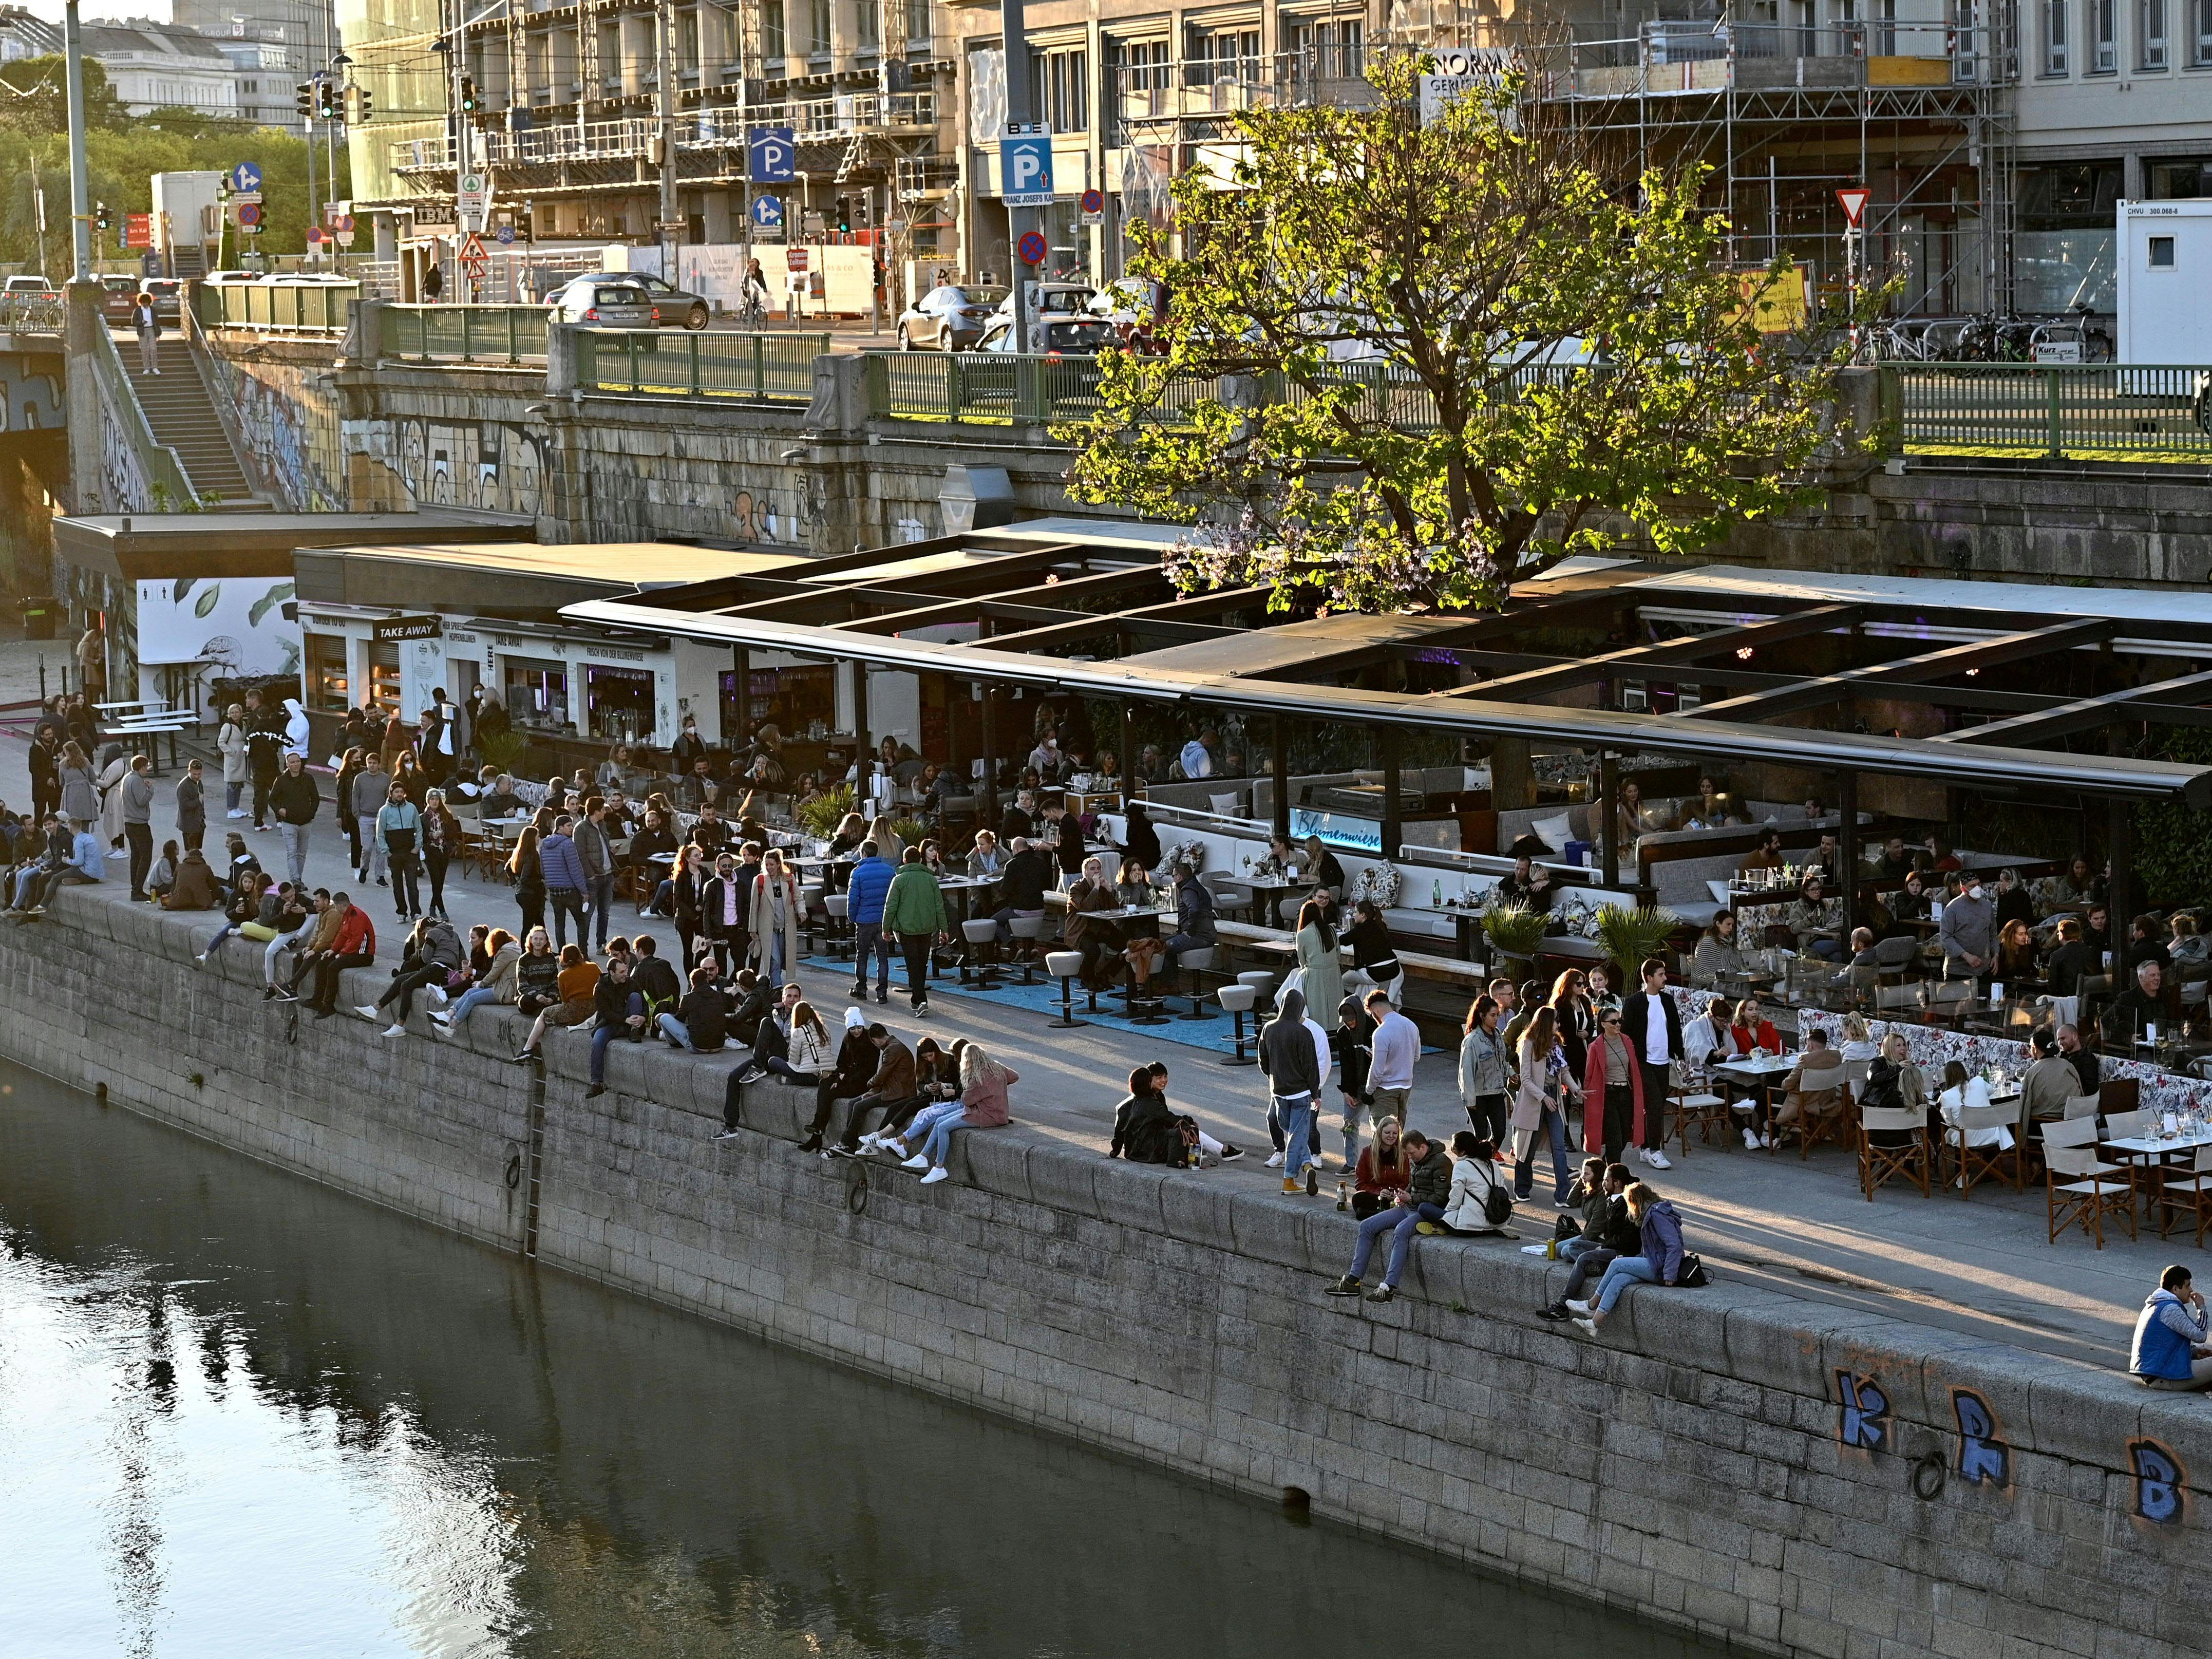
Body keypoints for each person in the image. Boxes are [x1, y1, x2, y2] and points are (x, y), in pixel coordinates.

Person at [1324, 1129, 1453, 1304]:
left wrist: (1412, 1198)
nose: (1409, 1158)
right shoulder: (1417, 1159)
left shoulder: (1442, 1163)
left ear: (1423, 1147)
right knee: (1367, 1226)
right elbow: (1413, 1185)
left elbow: (1441, 1199)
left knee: (1401, 1232)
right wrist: (1402, 1195)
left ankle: (1388, 1288)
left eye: (1411, 1153)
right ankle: (1353, 1281)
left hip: (1425, 1211)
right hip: (1408, 1206)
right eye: (1407, 1154)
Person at [886, 1041, 1018, 1184]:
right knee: (939, 1121)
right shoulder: (997, 1067)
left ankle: (939, 1167)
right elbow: (1015, 1076)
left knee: (943, 1127)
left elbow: (967, 1100)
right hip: (992, 1112)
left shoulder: (977, 1078)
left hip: (986, 1115)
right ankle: (923, 1157)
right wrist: (998, 1089)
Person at [1567, 1181, 1688, 1335]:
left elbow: (1675, 1245)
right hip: (1656, 1263)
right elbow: (1651, 1249)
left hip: (1662, 1269)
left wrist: (1670, 1274)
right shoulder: (1651, 1212)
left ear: (1635, 1201)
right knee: (1620, 1278)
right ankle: (1594, 1324)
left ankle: (1591, 1304)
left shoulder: (1657, 1215)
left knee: (1616, 1264)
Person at [1538, 1162, 1641, 1321]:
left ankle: (1561, 1307)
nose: (1603, 1184)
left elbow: (1629, 1239)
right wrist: (1582, 1179)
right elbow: (1571, 1201)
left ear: (1618, 1183)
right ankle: (1598, 1265)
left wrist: (1603, 1247)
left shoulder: (1626, 1204)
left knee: (1583, 1258)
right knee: (1573, 1247)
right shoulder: (1611, 1199)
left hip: (1621, 1251)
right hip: (1609, 1246)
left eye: (1607, 1180)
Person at [1259, 986, 1330, 1195]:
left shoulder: (1269, 1028)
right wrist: (1316, 1094)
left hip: (1279, 1091)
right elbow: (1311, 1067)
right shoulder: (1303, 1032)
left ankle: (1307, 1165)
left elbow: (1263, 1061)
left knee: (1292, 1132)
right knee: (1297, 1135)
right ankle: (1289, 1179)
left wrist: (1273, 1077)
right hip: (1300, 1093)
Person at [1511, 1005, 1577, 1208]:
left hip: (1554, 1097)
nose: (1558, 1024)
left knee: (1559, 1146)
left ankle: (1563, 1195)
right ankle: (1522, 1188)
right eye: (1556, 1020)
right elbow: (1526, 1079)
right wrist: (1543, 1098)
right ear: (1547, 1023)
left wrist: (1575, 1090)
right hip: (1534, 1100)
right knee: (1527, 1148)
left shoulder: (1555, 1043)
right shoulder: (1529, 1043)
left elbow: (1563, 1071)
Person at [1620, 957, 1679, 1171]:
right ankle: (1656, 1150)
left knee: (1657, 1104)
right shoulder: (1635, 1002)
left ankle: (1645, 1148)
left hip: (1663, 1060)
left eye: (1664, 974)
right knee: (1654, 1104)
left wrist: (1679, 1054)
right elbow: (1626, 1033)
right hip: (1643, 1061)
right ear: (1649, 978)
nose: (1665, 978)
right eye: (1661, 975)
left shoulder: (1668, 1001)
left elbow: (1675, 1029)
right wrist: (1629, 1059)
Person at [362, 914, 462, 1037]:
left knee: (406, 985)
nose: (423, 935)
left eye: (423, 933)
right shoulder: (454, 935)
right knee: (401, 979)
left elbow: (426, 958)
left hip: (437, 968)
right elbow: (462, 959)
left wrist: (426, 943)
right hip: (446, 973)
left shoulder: (433, 933)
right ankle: (375, 1009)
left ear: (427, 930)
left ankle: (400, 1025)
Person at [838, 1023, 922, 1155]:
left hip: (898, 1093)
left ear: (875, 1040)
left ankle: (847, 1143)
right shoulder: (895, 1045)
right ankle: (849, 1143)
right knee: (853, 1103)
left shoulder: (892, 1049)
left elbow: (880, 1076)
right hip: (894, 1089)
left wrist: (869, 1085)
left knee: (859, 1106)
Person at [883, 845, 948, 1017]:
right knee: (922, 962)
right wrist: (944, 929)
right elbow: (939, 907)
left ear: (904, 860)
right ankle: (918, 999)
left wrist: (886, 928)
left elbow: (890, 907)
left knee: (912, 963)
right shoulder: (931, 880)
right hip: (927, 927)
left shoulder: (899, 880)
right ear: (920, 860)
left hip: (906, 928)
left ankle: (920, 999)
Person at [511, 942, 600, 1062]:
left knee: (544, 1014)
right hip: (594, 1010)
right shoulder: (594, 967)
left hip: (575, 1012)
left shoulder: (563, 976)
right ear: (580, 955)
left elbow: (565, 1001)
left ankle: (527, 1049)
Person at [1581, 1004, 1646, 1166]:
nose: (1618, 1024)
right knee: (1614, 1138)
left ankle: (1606, 1167)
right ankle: (1614, 1175)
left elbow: (1634, 1069)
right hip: (1608, 1094)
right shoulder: (1596, 1047)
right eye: (1613, 1022)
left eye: (1620, 1021)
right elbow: (1590, 1075)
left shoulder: (1626, 1040)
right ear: (1603, 1024)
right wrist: (1587, 1097)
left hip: (1626, 1092)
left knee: (1625, 1134)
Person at [2130, 1265, 2212, 1390]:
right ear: (2175, 1289)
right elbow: (2200, 1335)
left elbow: (2166, 1345)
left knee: (2206, 1348)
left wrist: (2194, 1352)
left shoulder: (2159, 1304)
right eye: (2187, 1286)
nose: (2191, 1290)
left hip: (2158, 1370)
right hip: (2164, 1377)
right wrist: (2201, 1308)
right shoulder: (2170, 1309)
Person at [1770, 1027, 1848, 1150]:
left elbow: (1787, 1086)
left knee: (1771, 1090)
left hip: (1807, 1105)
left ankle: (1773, 1133)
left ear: (1811, 1045)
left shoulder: (1805, 1060)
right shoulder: (1836, 1056)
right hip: (1829, 1101)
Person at [300, 893, 376, 1019]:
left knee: (333, 967)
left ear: (340, 906)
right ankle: (317, 999)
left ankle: (329, 1005)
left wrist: (342, 954)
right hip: (352, 952)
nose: (335, 909)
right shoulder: (346, 916)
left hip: (364, 955)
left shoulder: (357, 916)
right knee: (322, 962)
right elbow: (342, 935)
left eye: (335, 906)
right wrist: (333, 950)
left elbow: (357, 940)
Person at [583, 955, 646, 1099]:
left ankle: (634, 1032)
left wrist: (643, 1018)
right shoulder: (600, 987)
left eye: (626, 971)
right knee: (598, 1042)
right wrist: (625, 1019)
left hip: (630, 1023)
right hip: (610, 1023)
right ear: (612, 973)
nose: (626, 974)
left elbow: (643, 1002)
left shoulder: (631, 983)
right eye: (622, 972)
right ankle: (596, 1083)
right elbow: (605, 1013)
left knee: (635, 997)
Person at [437, 928, 521, 1035]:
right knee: (470, 992)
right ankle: (448, 1014)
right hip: (501, 986)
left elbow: (493, 974)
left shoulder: (506, 954)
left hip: (505, 992)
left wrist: (480, 983)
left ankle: (452, 1026)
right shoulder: (509, 951)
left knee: (473, 998)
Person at [747, 846, 803, 989]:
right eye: (767, 864)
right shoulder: (760, 881)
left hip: (785, 927)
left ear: (779, 864)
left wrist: (802, 912)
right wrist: (753, 928)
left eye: (772, 864)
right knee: (775, 959)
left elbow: (798, 897)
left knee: (783, 957)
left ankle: (774, 982)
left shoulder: (788, 879)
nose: (769, 867)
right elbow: (754, 906)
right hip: (768, 928)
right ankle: (777, 986)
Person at [1459, 996, 1510, 1148]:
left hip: (1496, 1091)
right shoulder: (1472, 1041)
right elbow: (1465, 1073)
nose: (1496, 1019)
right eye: (1493, 1015)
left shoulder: (1497, 1034)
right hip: (1478, 1095)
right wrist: (1470, 1101)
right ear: (1482, 1016)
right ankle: (1479, 1162)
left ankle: (1488, 1155)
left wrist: (1511, 1073)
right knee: (1481, 1135)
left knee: (1500, 1132)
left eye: (1497, 1016)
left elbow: (1502, 1060)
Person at [1441, 1133, 1511, 1236]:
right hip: (1494, 1224)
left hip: (1470, 1227)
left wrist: (1446, 1214)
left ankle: (1441, 1226)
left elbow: (1456, 1198)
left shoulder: (1461, 1166)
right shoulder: (1494, 1164)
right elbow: (1503, 1190)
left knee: (1425, 1209)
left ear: (1462, 1151)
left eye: (1453, 1147)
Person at [1110, 1065, 1182, 1164]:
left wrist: (1115, 1151)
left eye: (1165, 1077)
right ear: (1147, 1083)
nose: (1163, 1080)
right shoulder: (1151, 1104)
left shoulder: (1123, 1105)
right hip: (1150, 1154)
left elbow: (1118, 1133)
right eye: (1155, 1079)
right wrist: (1188, 1122)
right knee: (1184, 1132)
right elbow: (1170, 1119)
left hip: (1131, 1153)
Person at [539, 814, 591, 950]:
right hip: (570, 890)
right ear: (560, 827)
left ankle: (563, 953)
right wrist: (584, 891)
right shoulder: (568, 844)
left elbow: (543, 869)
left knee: (559, 924)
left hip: (554, 891)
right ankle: (583, 953)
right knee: (581, 922)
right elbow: (575, 870)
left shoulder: (544, 844)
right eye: (569, 825)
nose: (572, 828)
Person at [269, 751, 320, 886]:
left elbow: (315, 798)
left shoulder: (308, 779)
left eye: (298, 761)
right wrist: (280, 811)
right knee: (292, 852)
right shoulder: (281, 780)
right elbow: (272, 799)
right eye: (292, 762)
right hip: (289, 823)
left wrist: (311, 813)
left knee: (302, 853)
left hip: (306, 822)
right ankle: (295, 880)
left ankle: (299, 878)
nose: (296, 764)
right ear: (287, 764)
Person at [376, 782, 424, 921]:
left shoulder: (411, 808)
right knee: (397, 886)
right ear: (391, 794)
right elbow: (380, 833)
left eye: (401, 792)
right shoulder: (384, 811)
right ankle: (401, 912)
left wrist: (417, 846)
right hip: (394, 853)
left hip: (410, 853)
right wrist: (387, 851)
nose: (399, 794)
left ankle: (415, 912)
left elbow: (419, 828)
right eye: (396, 792)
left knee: (412, 885)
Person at [576, 799, 619, 953]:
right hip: (593, 877)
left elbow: (602, 847)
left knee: (605, 912)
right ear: (596, 812)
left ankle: (601, 944)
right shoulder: (581, 829)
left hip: (607, 874)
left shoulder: (602, 825)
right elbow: (580, 854)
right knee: (587, 914)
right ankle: (583, 948)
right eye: (603, 810)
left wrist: (610, 850)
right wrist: (590, 875)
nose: (605, 812)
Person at [1352, 1115, 1413, 1219]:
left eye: (1395, 1133)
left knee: (1402, 1203)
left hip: (1394, 1198)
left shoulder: (1403, 1155)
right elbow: (1360, 1184)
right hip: (1376, 1196)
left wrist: (1396, 1194)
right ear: (1380, 1133)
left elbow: (1405, 1182)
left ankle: (1375, 1214)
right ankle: (1385, 1214)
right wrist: (1379, 1191)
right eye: (1387, 1133)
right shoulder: (1367, 1153)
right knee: (1358, 1198)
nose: (1391, 1136)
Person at [1938, 872, 1995, 982]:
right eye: (1972, 886)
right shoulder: (1952, 909)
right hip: (1958, 971)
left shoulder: (1987, 906)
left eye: (1978, 884)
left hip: (1984, 969)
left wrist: (1995, 955)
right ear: (1963, 888)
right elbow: (1946, 938)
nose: (1977, 888)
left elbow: (1992, 933)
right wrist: (1966, 955)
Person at [115, 753, 156, 901]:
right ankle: (138, 889)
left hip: (129, 823)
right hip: (139, 824)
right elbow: (141, 800)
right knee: (145, 856)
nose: (148, 769)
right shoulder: (137, 780)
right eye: (147, 767)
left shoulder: (127, 778)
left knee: (136, 856)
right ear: (142, 767)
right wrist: (150, 790)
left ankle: (135, 888)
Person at [1293, 896, 1341, 1021]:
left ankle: (1278, 1007)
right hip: (1334, 972)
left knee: (1294, 978)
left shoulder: (1302, 934)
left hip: (1315, 974)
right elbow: (1338, 954)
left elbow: (1302, 962)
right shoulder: (1331, 930)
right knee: (1333, 1005)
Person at [2103, 958, 2167, 1049]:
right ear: (2141, 977)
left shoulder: (2166, 994)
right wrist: (2127, 1037)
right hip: (2141, 1049)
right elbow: (2106, 1020)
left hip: (2165, 1046)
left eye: (2158, 974)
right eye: (2153, 975)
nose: (2157, 978)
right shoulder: (2127, 998)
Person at [1691, 912, 1747, 986]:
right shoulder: (1707, 942)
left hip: (1731, 979)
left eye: (1732, 925)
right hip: (1713, 983)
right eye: (1728, 924)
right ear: (1718, 924)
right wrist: (1720, 977)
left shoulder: (1729, 943)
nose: (1731, 928)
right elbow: (1702, 968)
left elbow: (1737, 965)